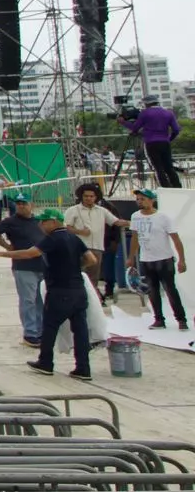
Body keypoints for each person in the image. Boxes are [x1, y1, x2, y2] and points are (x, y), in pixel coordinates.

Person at [0, 210, 97, 380]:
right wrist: (75, 267)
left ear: (53, 222)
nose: (40, 225)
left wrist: (0, 253)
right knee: (80, 330)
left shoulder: (53, 239)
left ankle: (46, 362)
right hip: (78, 290)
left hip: (59, 291)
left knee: (49, 327)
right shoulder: (74, 238)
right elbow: (91, 259)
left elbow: (29, 253)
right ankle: (83, 368)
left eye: (43, 221)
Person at [0, 194, 47, 348]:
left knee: (40, 300)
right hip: (23, 266)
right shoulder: (11, 221)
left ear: (31, 204)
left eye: (23, 203)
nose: (21, 206)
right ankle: (30, 332)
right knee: (28, 300)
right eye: (18, 204)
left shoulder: (38, 221)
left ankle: (41, 329)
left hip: (42, 265)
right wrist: (6, 246)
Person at [127, 188, 188, 331]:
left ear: (152, 200)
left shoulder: (163, 217)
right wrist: (131, 257)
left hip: (164, 259)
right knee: (152, 290)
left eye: (143, 199)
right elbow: (135, 238)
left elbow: (176, 240)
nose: (140, 202)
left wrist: (181, 260)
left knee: (170, 290)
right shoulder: (136, 216)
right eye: (138, 199)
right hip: (146, 259)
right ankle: (159, 319)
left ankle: (181, 319)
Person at [64, 183, 127, 299]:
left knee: (93, 278)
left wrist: (134, 222)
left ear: (96, 197)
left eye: (91, 196)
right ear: (81, 196)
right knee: (78, 276)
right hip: (79, 249)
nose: (89, 198)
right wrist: (80, 231)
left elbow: (116, 222)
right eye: (86, 196)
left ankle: (91, 301)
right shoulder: (72, 210)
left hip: (97, 248)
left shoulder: (102, 210)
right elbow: (66, 228)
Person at [122, 97, 182, 188]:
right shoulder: (168, 113)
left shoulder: (145, 113)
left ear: (146, 104)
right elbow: (176, 130)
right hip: (165, 143)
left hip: (151, 143)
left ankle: (166, 188)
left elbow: (135, 128)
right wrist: (169, 139)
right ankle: (178, 187)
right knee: (169, 167)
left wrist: (123, 122)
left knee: (158, 168)